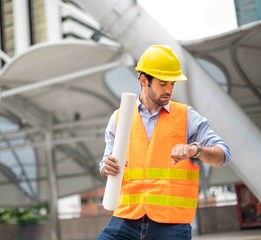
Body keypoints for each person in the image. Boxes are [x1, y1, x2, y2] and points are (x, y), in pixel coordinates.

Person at [97, 45, 231, 240]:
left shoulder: (187, 116)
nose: (168, 90)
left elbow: (223, 155)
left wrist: (195, 150)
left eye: (172, 84)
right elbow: (105, 165)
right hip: (126, 220)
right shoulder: (119, 118)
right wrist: (106, 169)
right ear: (144, 80)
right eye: (162, 83)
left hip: (171, 226)